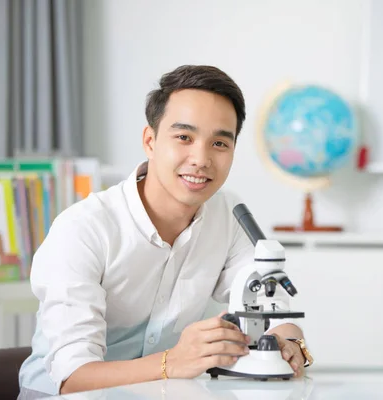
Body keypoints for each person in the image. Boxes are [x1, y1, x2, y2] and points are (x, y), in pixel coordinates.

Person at [17, 65, 313, 399]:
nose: (200, 159)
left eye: (219, 143)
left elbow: (269, 302)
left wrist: (288, 342)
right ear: (150, 141)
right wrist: (173, 361)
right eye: (184, 137)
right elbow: (73, 377)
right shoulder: (83, 229)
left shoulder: (229, 214)